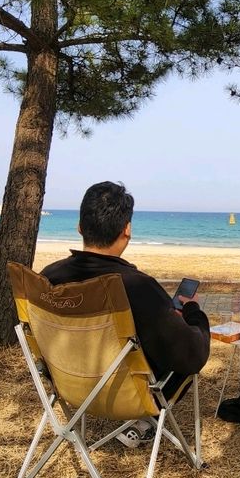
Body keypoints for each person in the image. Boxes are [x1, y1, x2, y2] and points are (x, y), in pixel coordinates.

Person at [40, 181, 210, 445]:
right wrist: (194, 313)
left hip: (68, 386)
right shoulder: (136, 286)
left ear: (80, 227)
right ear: (127, 229)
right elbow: (191, 357)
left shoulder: (48, 278)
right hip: (126, 396)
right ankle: (145, 423)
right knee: (188, 345)